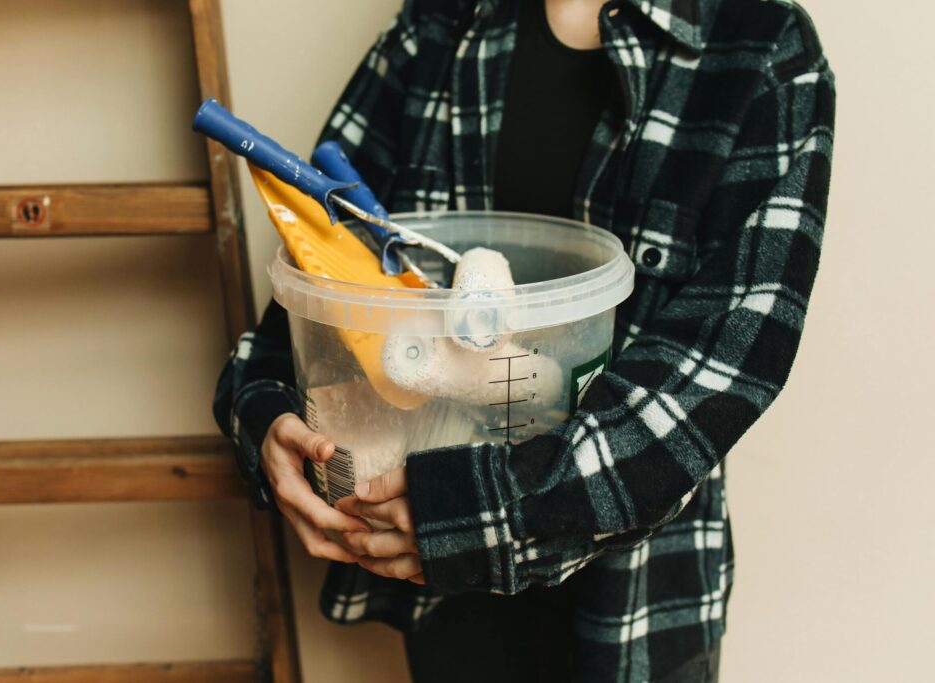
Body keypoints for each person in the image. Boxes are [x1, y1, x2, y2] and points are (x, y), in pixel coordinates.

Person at [212, 0, 835, 680]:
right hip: (443, 603)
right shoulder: (439, 27)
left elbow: (727, 360)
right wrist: (266, 415)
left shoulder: (760, 47)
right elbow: (317, 284)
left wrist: (474, 513)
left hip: (639, 600)